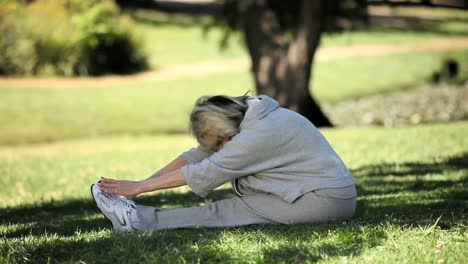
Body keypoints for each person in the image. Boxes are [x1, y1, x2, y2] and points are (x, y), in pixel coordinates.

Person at [91, 94, 356, 231]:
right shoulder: (254, 117)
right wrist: (143, 183)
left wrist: (137, 189)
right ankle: (135, 212)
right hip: (320, 194)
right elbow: (198, 155)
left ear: (228, 129)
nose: (220, 149)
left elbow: (207, 170)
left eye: (221, 142)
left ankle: (136, 220)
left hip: (323, 201)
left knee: (224, 212)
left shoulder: (259, 134)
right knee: (230, 200)